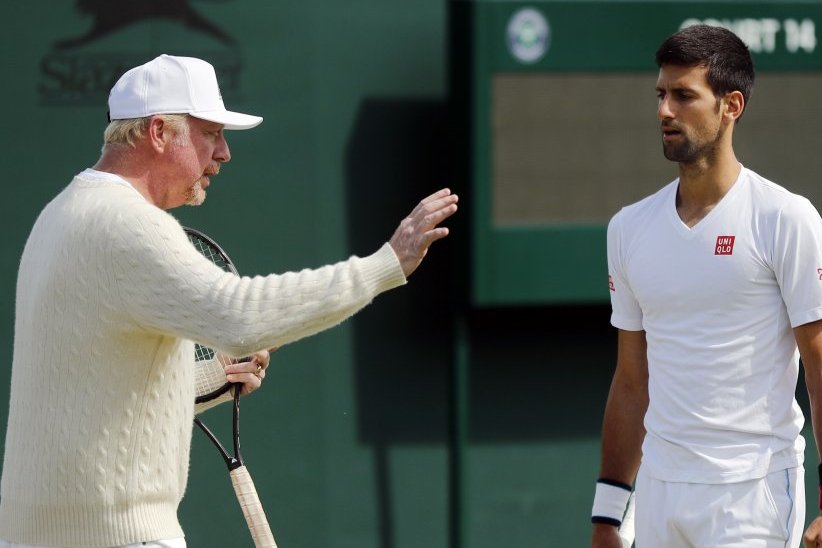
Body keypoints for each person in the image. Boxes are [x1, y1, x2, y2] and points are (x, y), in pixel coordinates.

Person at [0, 54, 458, 548]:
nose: (223, 154)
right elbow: (240, 316)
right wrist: (385, 264)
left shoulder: (60, 214)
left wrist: (214, 377)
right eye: (211, 133)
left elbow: (94, 384)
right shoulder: (126, 224)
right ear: (159, 132)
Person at [590, 24, 822, 548]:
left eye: (683, 96)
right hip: (658, 495)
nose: (664, 110)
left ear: (731, 105)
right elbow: (631, 381)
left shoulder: (786, 218)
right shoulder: (628, 228)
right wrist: (607, 515)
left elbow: (819, 364)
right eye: (660, 94)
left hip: (752, 495)